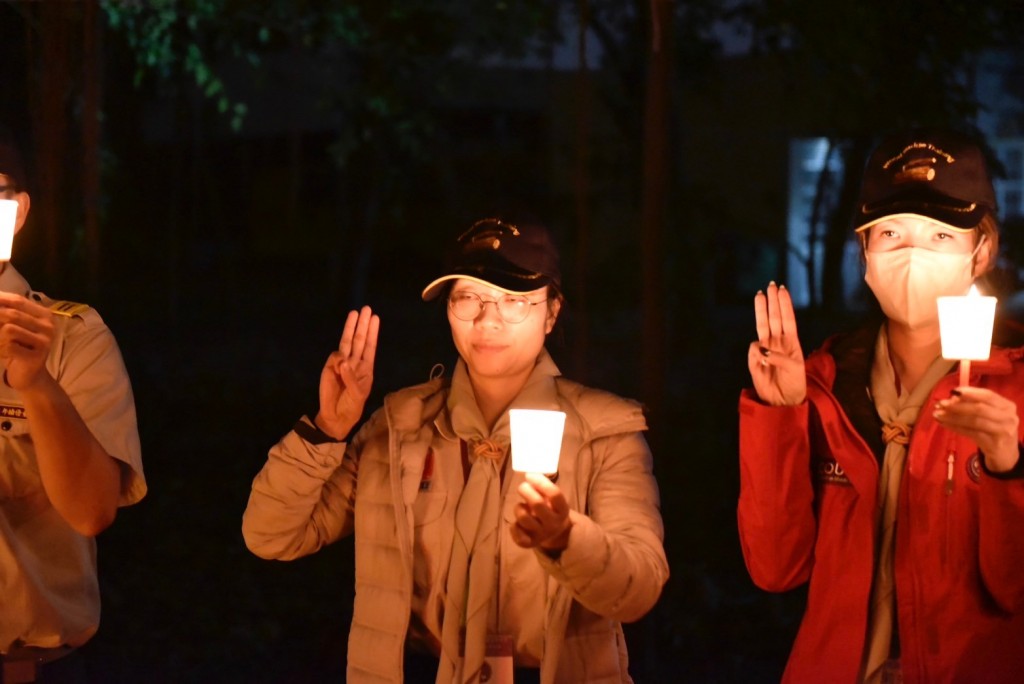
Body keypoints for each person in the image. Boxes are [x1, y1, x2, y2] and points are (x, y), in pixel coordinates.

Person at [242, 214, 669, 683]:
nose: (487, 321)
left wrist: (567, 538)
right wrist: (327, 429)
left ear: (551, 312)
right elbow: (271, 534)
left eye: (514, 300)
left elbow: (638, 588)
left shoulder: (603, 434)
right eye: (469, 298)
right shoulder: (399, 428)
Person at [738, 128, 1024, 684]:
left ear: (981, 252)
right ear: (864, 250)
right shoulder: (823, 384)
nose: (913, 254)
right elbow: (776, 568)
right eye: (891, 232)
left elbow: (1014, 590)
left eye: (941, 235)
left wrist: (1006, 466)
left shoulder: (1012, 391)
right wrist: (780, 412)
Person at [0, 129, 146, 682]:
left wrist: (37, 386)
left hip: (24, 663)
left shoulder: (72, 337)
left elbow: (91, 511)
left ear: (18, 212)